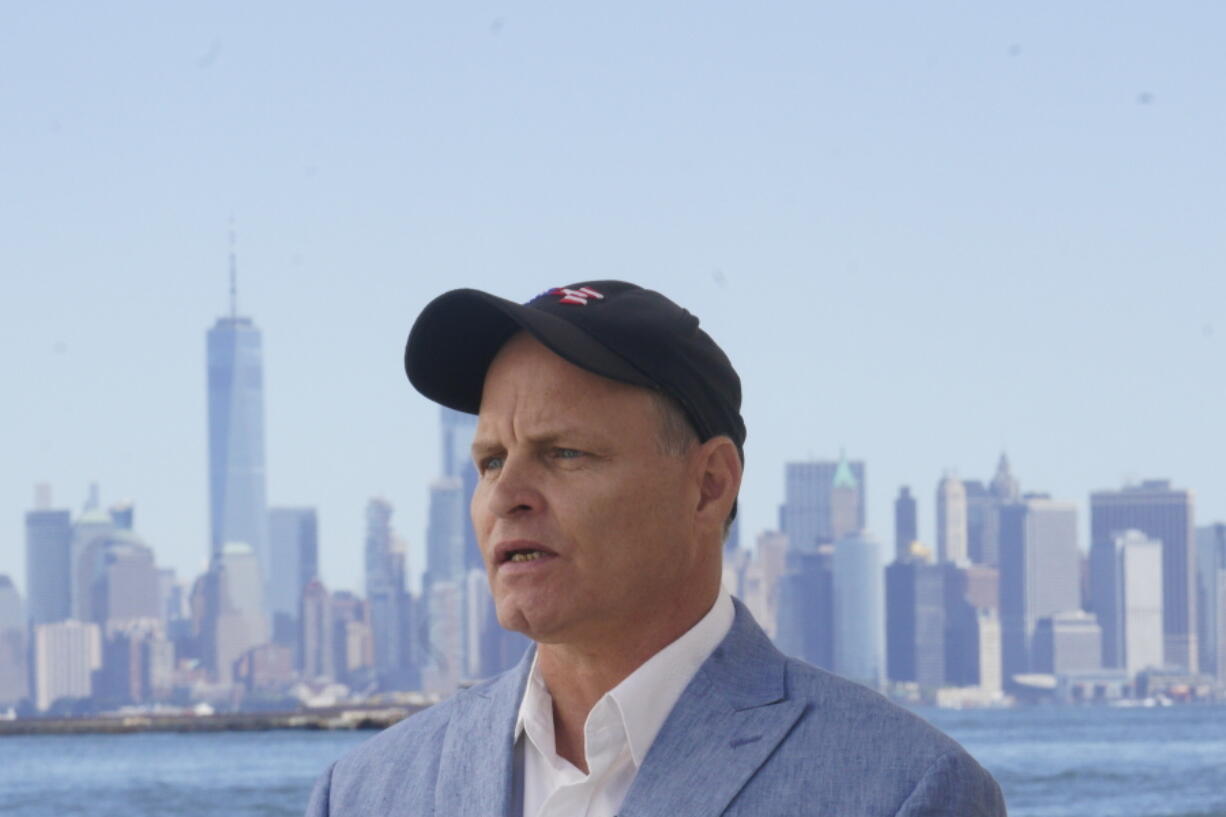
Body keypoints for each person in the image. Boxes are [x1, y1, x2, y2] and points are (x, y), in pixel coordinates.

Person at [306, 281, 1006, 817]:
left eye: (564, 452)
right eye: (490, 461)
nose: (506, 493)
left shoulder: (902, 791)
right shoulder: (365, 793)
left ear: (708, 485)